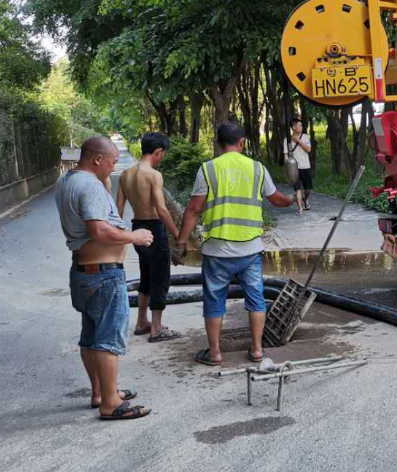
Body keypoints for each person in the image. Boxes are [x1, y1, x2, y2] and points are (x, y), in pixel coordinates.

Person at [175, 122, 294, 366]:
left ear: (218, 144)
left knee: (214, 300)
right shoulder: (257, 169)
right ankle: (257, 350)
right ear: (242, 143)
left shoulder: (208, 169)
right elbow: (277, 199)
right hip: (250, 250)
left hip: (217, 251)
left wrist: (182, 241)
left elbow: (194, 209)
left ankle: (216, 353)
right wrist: (292, 199)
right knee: (256, 299)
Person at [55, 135, 152, 421]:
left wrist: (105, 183)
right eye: (111, 162)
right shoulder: (90, 185)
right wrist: (134, 236)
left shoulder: (68, 181)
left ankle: (100, 391)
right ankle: (110, 403)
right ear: (97, 159)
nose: (113, 167)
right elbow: (100, 230)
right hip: (104, 273)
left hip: (84, 273)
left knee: (91, 335)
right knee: (108, 338)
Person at [117, 132, 181, 342]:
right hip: (154, 227)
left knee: (146, 276)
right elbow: (162, 210)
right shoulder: (153, 175)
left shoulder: (126, 175)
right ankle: (156, 329)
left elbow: (117, 212)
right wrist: (178, 235)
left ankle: (141, 322)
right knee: (161, 278)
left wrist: (123, 237)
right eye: (162, 154)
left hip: (137, 228)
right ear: (158, 152)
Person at [288, 118, 312, 212]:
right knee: (298, 189)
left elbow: (308, 149)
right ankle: (300, 208)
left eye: (302, 125)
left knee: (308, 189)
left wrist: (298, 141)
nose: (302, 127)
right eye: (300, 125)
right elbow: (287, 155)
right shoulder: (287, 140)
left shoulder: (305, 137)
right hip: (294, 169)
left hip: (306, 166)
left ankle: (305, 199)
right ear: (294, 127)